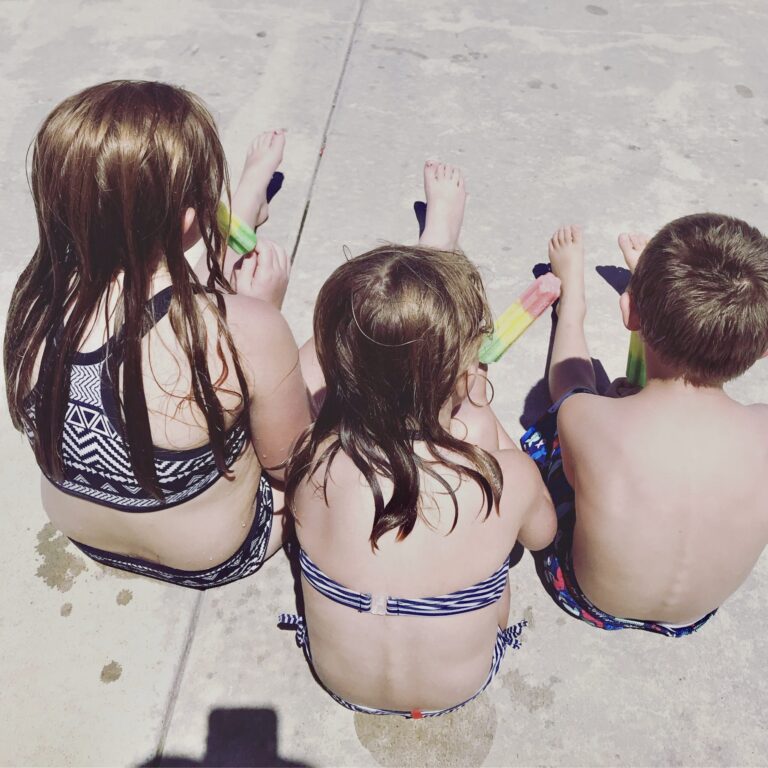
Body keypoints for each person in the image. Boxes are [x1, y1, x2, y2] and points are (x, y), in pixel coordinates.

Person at [4, 80, 311, 588]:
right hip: (213, 556)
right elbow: (290, 465)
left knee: (185, 308)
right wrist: (260, 314)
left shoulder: (38, 297)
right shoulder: (245, 329)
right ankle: (246, 213)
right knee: (339, 346)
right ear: (191, 218)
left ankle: (247, 202)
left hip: (85, 534)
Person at [280, 162, 556, 718]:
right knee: (491, 537)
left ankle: (430, 254)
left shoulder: (312, 456)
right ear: (464, 374)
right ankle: (437, 251)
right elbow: (542, 536)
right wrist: (480, 413)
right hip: (461, 685)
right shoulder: (510, 477)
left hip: (338, 679)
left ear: (337, 372)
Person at [523, 216, 768, 635]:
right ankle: (671, 302)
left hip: (589, 600)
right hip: (694, 615)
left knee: (569, 402)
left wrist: (577, 316)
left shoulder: (587, 418)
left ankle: (573, 306)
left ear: (628, 311)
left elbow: (570, 390)